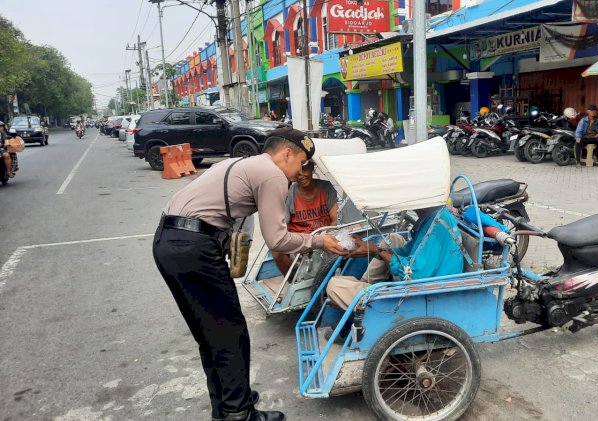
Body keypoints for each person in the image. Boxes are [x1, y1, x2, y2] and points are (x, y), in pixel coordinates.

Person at [153, 127, 346, 421]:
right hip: (194, 247)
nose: (301, 171)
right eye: (301, 162)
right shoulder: (272, 175)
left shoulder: (238, 163)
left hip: (167, 241)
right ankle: (240, 412)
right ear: (286, 154)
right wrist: (321, 240)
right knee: (230, 332)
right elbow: (278, 240)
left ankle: (227, 402)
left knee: (210, 333)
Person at [326, 206, 464, 314]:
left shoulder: (434, 225)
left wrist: (376, 251)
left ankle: (365, 296)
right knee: (392, 239)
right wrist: (373, 251)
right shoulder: (437, 216)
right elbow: (408, 252)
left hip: (425, 295)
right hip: (430, 281)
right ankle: (365, 285)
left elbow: (413, 274)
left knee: (334, 285)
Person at [271, 160, 339, 275]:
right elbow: (283, 228)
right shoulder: (290, 193)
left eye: (305, 169)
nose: (301, 174)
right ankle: (292, 282)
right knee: (276, 252)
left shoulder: (326, 188)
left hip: (324, 237)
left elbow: (335, 220)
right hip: (300, 243)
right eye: (297, 171)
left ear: (312, 167)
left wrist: (325, 238)